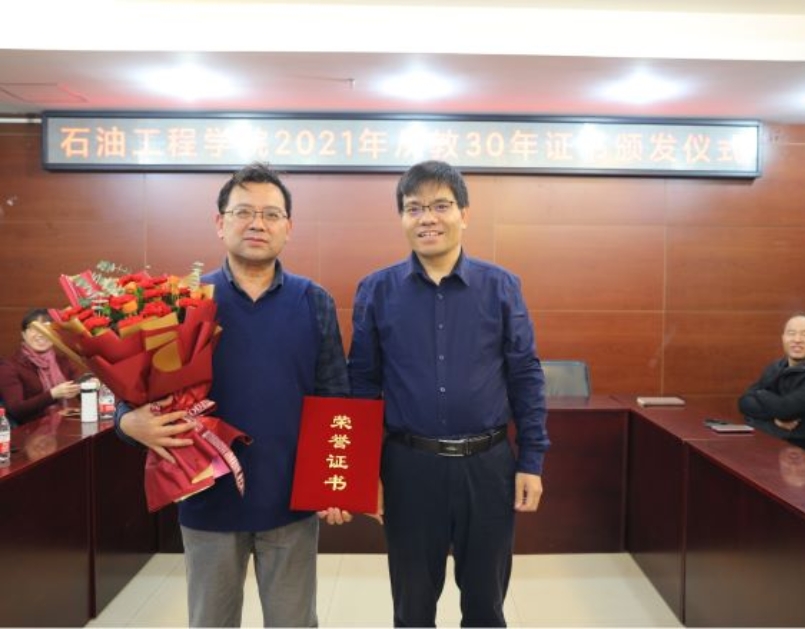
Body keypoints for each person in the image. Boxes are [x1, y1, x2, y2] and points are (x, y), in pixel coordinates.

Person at [115, 162, 350, 627]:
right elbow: (135, 388)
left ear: (288, 227)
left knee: (294, 622)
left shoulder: (313, 300)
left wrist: (333, 480)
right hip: (208, 499)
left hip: (291, 500)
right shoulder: (184, 302)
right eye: (243, 212)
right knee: (211, 621)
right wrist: (126, 421)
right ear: (220, 223)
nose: (257, 223)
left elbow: (334, 396)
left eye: (270, 214)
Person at [348, 160, 550, 627]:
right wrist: (363, 473)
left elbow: (525, 375)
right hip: (409, 468)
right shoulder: (376, 291)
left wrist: (532, 461)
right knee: (412, 609)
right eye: (414, 208)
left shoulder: (501, 287)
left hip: (488, 467)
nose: (427, 218)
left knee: (485, 607)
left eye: (440, 206)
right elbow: (362, 384)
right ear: (402, 217)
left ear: (464, 214)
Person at [738, 314, 805, 454]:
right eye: (791, 333)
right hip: (768, 439)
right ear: (783, 338)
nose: (797, 340)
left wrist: (759, 393)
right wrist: (774, 419)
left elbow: (785, 411)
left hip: (797, 452)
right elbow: (744, 403)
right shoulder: (777, 366)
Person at [0, 308, 82, 425]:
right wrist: (52, 394)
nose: (41, 334)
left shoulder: (63, 361)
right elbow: (16, 409)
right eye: (34, 329)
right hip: (31, 430)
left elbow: (81, 394)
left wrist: (89, 386)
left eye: (47, 328)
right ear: (23, 334)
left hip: (67, 424)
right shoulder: (9, 366)